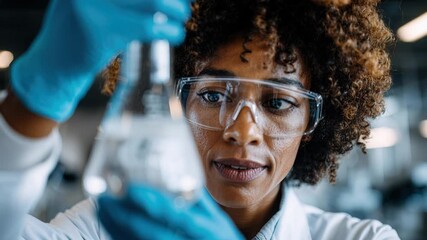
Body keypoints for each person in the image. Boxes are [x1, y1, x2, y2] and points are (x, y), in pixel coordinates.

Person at [0, 0, 400, 239]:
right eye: (212, 95)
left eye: (278, 102)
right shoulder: (104, 227)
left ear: (315, 123)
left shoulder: (362, 237)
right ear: (177, 102)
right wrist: (37, 98)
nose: (242, 132)